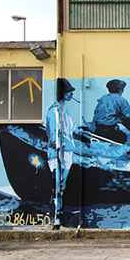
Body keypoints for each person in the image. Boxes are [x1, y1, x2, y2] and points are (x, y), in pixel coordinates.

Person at [45, 78, 78, 230]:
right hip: (59, 153)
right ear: (62, 93)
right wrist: (60, 148)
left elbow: (72, 130)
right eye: (68, 91)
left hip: (68, 152)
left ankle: (60, 214)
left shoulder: (66, 111)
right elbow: (53, 136)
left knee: (62, 185)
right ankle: (56, 216)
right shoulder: (54, 111)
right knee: (57, 184)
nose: (71, 94)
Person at [91, 79, 130, 143]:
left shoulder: (103, 98)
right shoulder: (121, 100)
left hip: (97, 128)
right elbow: (128, 117)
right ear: (121, 90)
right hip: (110, 130)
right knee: (126, 138)